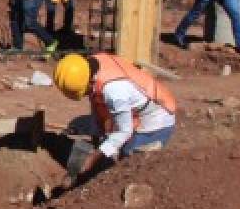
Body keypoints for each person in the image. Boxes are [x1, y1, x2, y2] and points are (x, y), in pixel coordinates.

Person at [53, 53, 177, 182]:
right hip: (136, 107)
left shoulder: (114, 92)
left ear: (89, 82)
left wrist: (92, 159)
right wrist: (97, 138)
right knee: (115, 148)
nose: (85, 95)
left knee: (129, 163)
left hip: (157, 118)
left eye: (84, 92)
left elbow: (124, 131)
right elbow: (97, 105)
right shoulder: (90, 65)